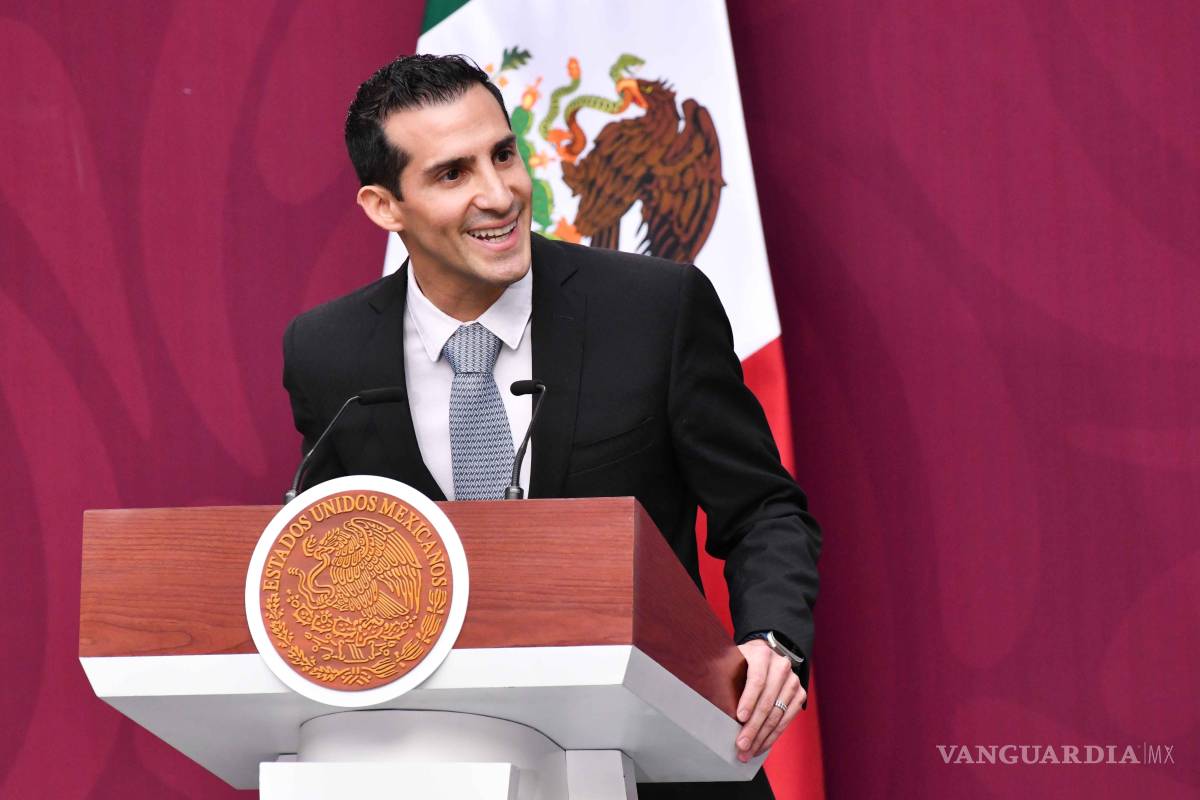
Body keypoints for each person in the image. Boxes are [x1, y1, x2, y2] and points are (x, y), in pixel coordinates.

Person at [282, 54, 821, 800]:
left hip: (658, 763)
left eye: (503, 154)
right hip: (436, 764)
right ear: (383, 207)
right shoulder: (326, 352)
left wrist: (773, 641)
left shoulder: (655, 309)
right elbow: (336, 549)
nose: (499, 194)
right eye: (452, 174)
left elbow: (763, 508)